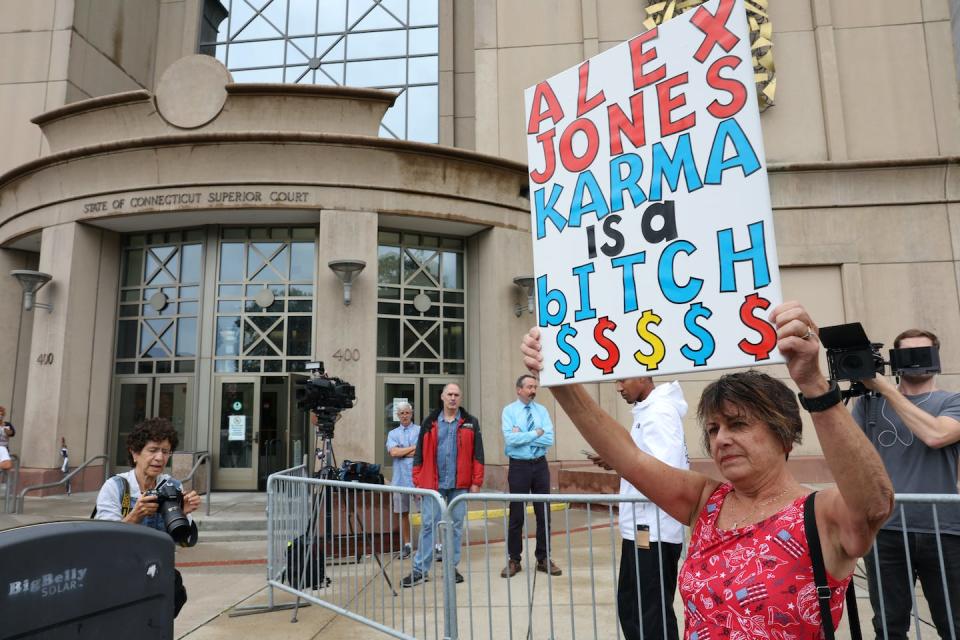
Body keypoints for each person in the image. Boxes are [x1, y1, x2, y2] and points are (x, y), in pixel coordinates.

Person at [521, 301, 894, 638]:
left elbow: (874, 505)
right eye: (714, 429)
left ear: (784, 434)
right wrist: (559, 379)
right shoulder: (707, 502)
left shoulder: (822, 514)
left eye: (738, 424)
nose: (721, 440)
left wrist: (813, 382)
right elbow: (627, 457)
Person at [852, 328, 960, 640]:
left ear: (936, 357)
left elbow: (937, 435)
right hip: (886, 530)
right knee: (888, 625)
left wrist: (885, 389)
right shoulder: (868, 405)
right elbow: (852, 456)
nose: (914, 360)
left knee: (953, 623)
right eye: (906, 353)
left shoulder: (952, 401)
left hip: (944, 529)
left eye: (922, 352)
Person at [588, 377, 688, 640]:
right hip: (640, 529)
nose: (618, 387)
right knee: (631, 607)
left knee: (652, 615)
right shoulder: (648, 411)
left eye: (622, 380)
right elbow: (645, 459)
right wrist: (616, 460)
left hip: (654, 530)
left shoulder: (660, 413)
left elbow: (663, 473)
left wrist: (621, 463)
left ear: (644, 375)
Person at [95, 417, 201, 617]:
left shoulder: (172, 486)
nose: (160, 458)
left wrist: (184, 514)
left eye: (165, 451)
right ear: (135, 453)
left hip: (157, 575)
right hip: (121, 577)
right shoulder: (116, 487)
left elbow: (182, 542)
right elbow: (105, 540)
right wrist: (135, 516)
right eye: (153, 450)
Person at [401, 382, 484, 587]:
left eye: (456, 394)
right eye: (450, 394)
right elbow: (419, 454)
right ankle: (420, 570)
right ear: (443, 397)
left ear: (460, 398)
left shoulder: (470, 422)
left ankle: (450, 567)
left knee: (455, 527)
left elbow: (478, 454)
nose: (453, 398)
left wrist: (476, 482)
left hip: (459, 485)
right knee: (428, 526)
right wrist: (418, 481)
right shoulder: (430, 422)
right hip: (433, 484)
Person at [501, 374, 561, 578]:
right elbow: (510, 439)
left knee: (543, 513)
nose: (533, 390)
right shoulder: (509, 411)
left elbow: (550, 438)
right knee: (517, 514)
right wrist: (536, 434)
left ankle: (543, 558)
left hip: (540, 466)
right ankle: (514, 559)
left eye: (535, 386)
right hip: (519, 466)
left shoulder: (542, 411)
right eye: (529, 387)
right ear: (519, 389)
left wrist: (522, 437)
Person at [386, 401, 421, 559]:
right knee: (403, 513)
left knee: (426, 512)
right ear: (398, 415)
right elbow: (393, 453)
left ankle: (434, 545)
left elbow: (422, 452)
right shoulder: (393, 434)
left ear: (411, 413)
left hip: (418, 479)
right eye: (401, 413)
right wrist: (412, 448)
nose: (404, 416)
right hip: (400, 480)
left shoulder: (420, 430)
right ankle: (407, 545)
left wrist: (402, 451)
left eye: (407, 412)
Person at [0, 405, 15, 472]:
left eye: (1, 414)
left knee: (5, 467)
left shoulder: (7, 425)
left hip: (4, 448)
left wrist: (7, 431)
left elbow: (12, 433)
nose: (0, 416)